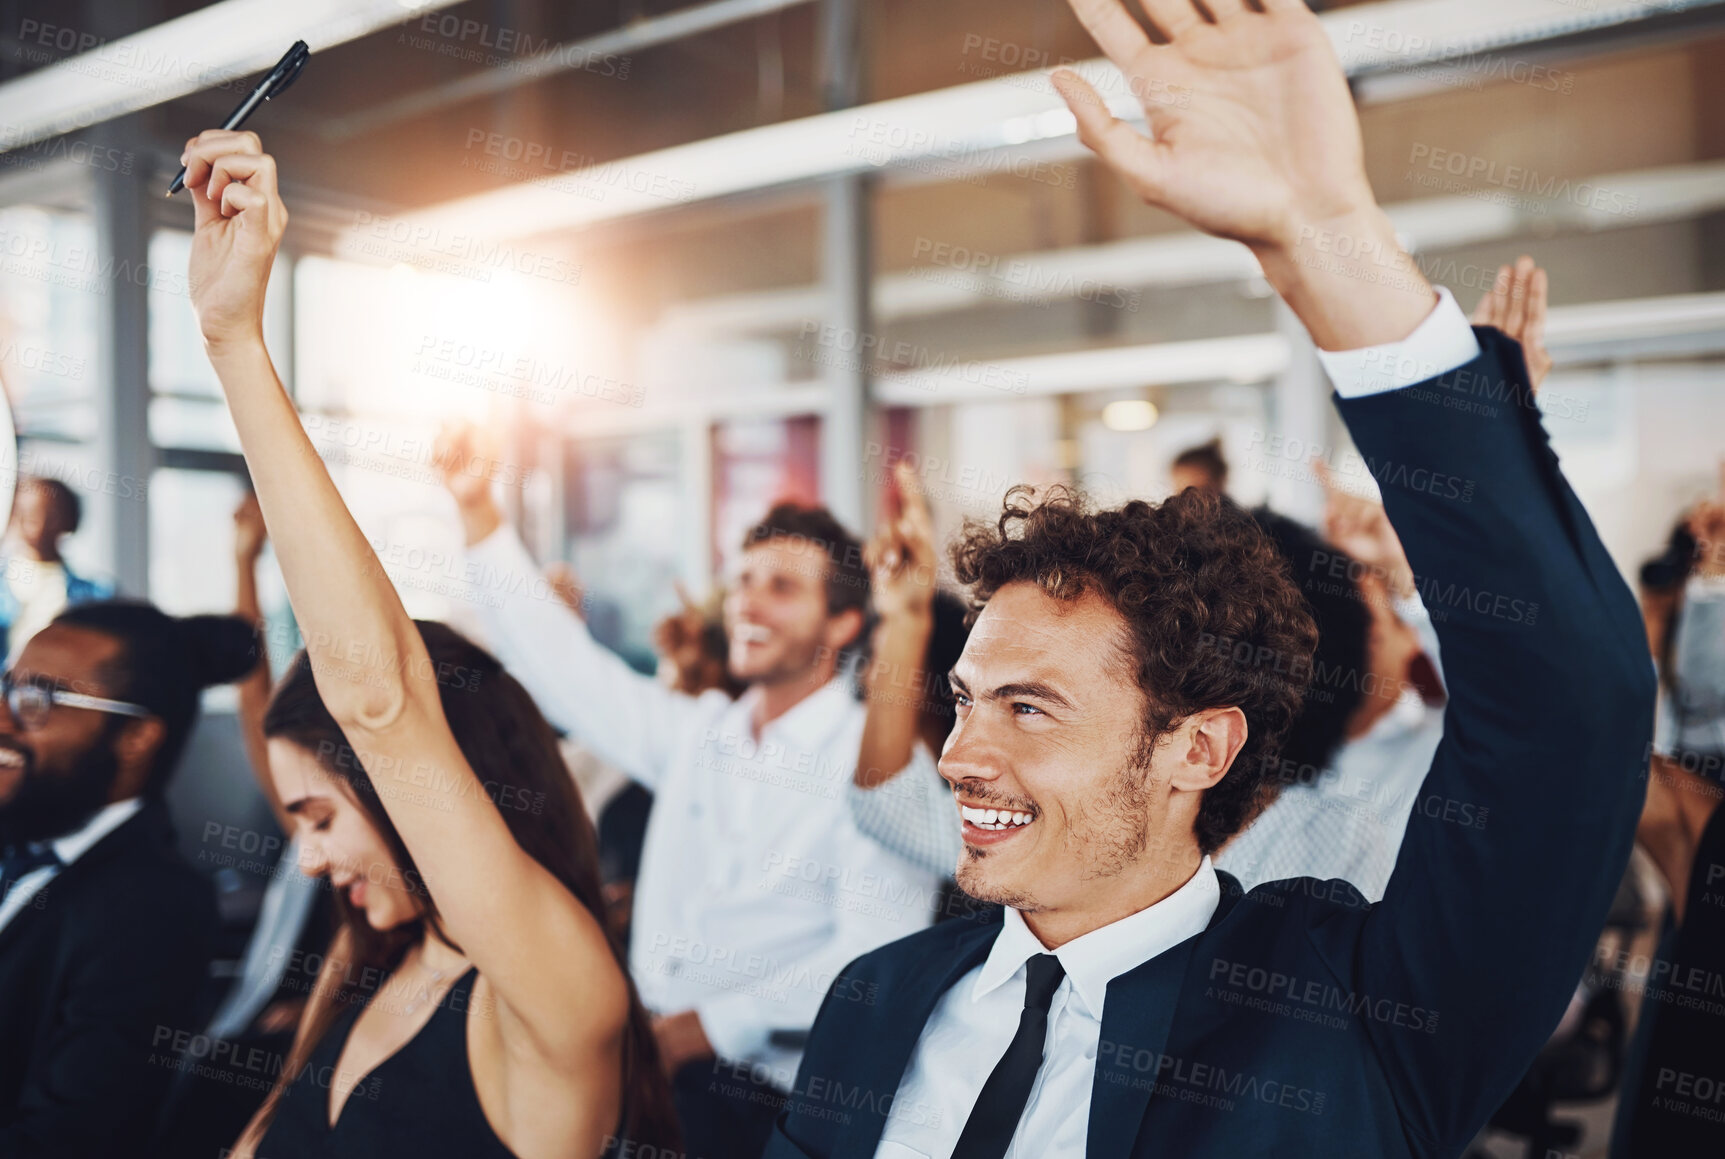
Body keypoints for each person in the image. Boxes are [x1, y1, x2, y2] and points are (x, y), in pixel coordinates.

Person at [766, 3, 1654, 1157]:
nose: (961, 753)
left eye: (1030, 705)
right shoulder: (877, 1002)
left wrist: (1325, 235)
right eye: (968, 699)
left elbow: (1570, 711)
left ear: (1199, 746)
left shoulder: (1347, 1012)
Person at [176, 129, 679, 1158]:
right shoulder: (372, 964)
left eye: (320, 814)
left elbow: (382, 697)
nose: (306, 855)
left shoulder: (550, 990)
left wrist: (234, 341)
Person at [439, 430, 940, 1159]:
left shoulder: (873, 765)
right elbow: (565, 669)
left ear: (842, 624)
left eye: (782, 587)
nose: (748, 605)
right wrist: (478, 510)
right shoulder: (698, 734)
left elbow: (874, 959)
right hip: (644, 1061)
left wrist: (704, 1026)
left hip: (771, 1098)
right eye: (742, 581)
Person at [0, 600, 256, 1156]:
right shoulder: (23, 837)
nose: (4, 718)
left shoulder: (150, 908)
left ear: (136, 738)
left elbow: (67, 1140)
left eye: (37, 699)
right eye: (8, 686)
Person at [0, 477, 113, 665]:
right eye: (26, 513)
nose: (36, 523)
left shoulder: (97, 595)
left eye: (50, 514)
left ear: (70, 521)